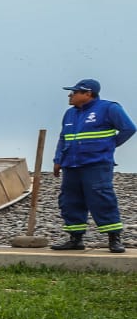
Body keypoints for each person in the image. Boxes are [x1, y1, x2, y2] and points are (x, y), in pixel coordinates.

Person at [52, 78, 134, 253]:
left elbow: (129, 128)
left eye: (74, 92)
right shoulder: (70, 113)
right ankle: (75, 239)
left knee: (101, 198)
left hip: (96, 165)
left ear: (87, 93)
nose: (70, 95)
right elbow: (63, 138)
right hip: (71, 166)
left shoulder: (109, 108)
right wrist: (58, 160)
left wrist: (109, 145)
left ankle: (114, 238)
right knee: (70, 200)